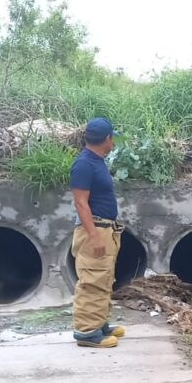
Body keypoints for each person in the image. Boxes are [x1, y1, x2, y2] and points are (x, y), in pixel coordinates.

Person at [70, 117, 125, 348]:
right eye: (113, 137)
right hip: (95, 229)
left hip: (105, 228)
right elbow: (80, 203)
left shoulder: (96, 160)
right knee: (92, 279)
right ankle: (86, 333)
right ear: (107, 139)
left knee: (103, 277)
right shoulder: (83, 164)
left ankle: (99, 323)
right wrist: (93, 236)